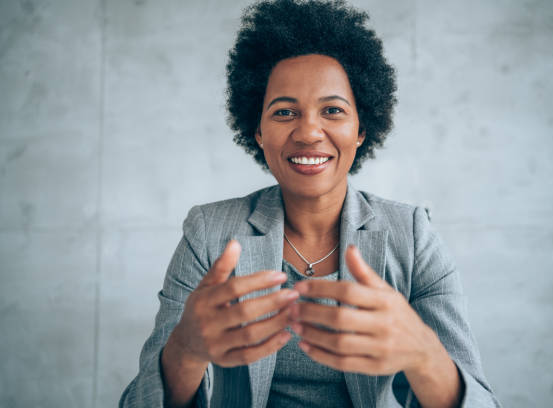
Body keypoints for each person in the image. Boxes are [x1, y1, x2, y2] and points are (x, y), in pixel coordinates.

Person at [120, 0, 501, 407]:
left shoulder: (411, 234)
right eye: (285, 112)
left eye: (333, 111)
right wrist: (185, 351)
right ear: (258, 132)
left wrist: (424, 355)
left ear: (361, 129)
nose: (309, 133)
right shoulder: (209, 234)